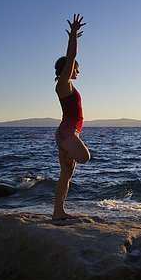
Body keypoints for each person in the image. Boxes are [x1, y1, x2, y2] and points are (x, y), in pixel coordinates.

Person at [53, 13, 91, 220]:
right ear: (68, 69)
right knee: (84, 157)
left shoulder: (66, 86)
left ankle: (58, 213)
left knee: (66, 175)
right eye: (76, 68)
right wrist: (73, 35)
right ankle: (69, 154)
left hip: (66, 134)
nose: (78, 71)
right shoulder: (63, 84)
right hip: (68, 134)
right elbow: (72, 56)